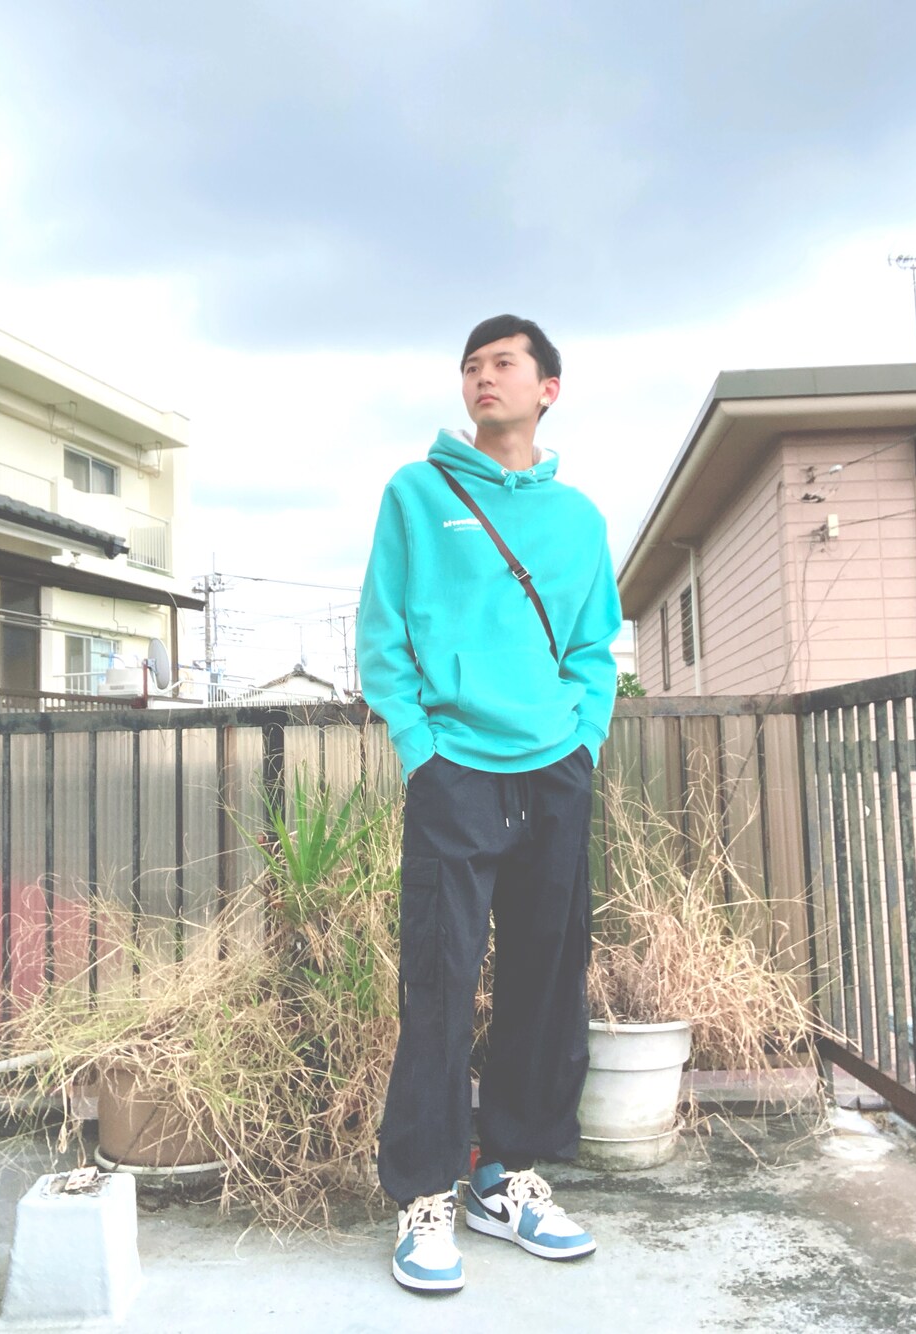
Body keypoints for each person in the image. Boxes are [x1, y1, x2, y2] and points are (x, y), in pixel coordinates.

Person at [356, 314, 621, 1293]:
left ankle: (506, 1176)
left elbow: (593, 645)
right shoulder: (418, 492)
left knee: (545, 980)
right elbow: (382, 633)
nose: (482, 377)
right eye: (471, 365)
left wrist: (584, 737)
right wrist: (421, 750)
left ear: (547, 387)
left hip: (554, 766)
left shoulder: (579, 519)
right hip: (454, 769)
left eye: (504, 362)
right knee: (438, 980)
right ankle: (425, 1192)